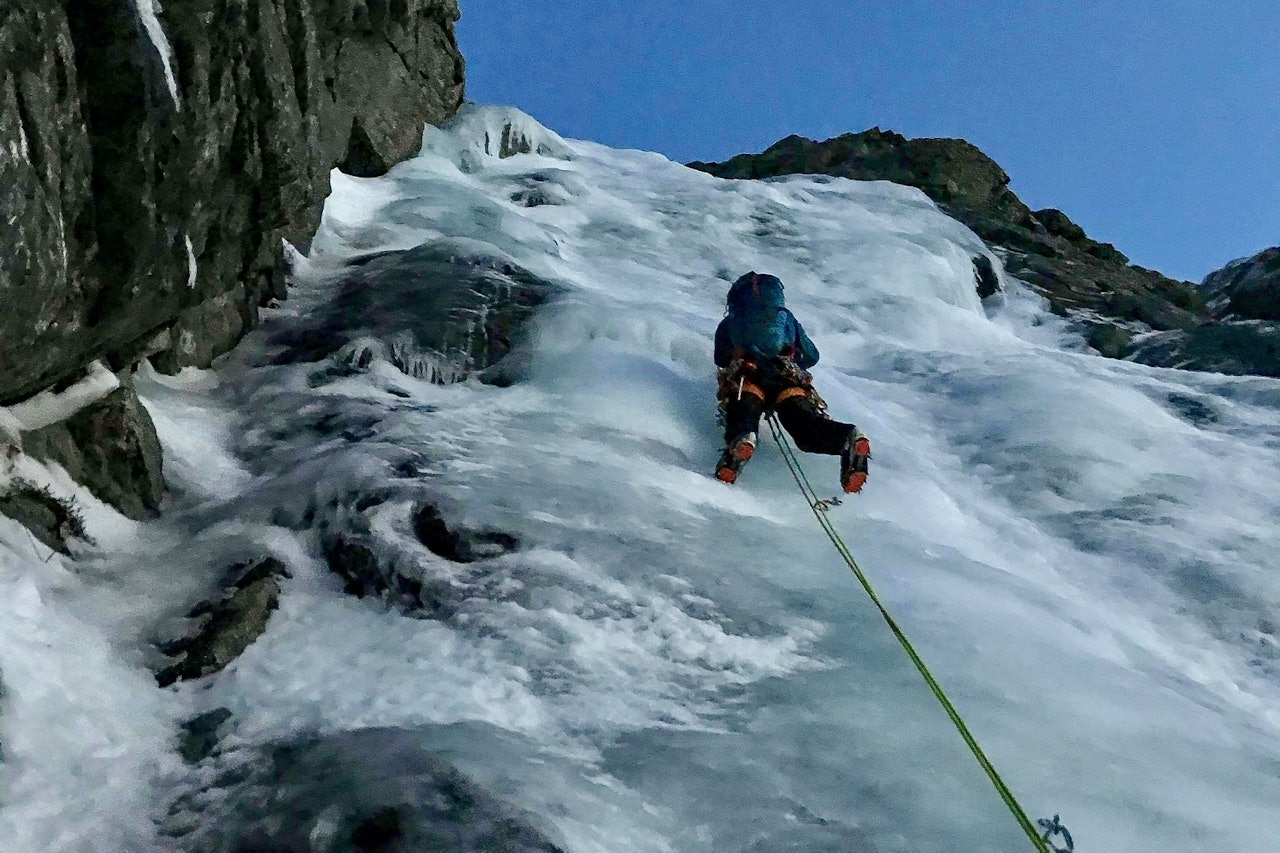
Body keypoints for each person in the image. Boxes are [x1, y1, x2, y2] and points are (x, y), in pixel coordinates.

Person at [713, 271, 870, 492]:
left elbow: (720, 358)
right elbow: (812, 356)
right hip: (787, 378)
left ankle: (741, 443)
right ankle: (847, 437)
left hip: (748, 377)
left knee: (743, 417)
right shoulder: (787, 319)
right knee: (805, 428)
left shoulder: (730, 323)